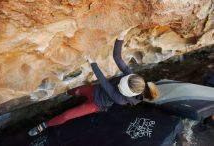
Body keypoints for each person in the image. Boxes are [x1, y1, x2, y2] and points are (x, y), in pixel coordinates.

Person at [28, 28, 160, 136]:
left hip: (96, 104)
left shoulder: (121, 100)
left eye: (121, 86)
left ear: (128, 92)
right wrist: (121, 37)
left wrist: (93, 63)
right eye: (122, 81)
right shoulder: (134, 79)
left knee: (66, 116)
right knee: (76, 91)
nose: (119, 83)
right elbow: (117, 57)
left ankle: (44, 125)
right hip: (96, 90)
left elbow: (105, 83)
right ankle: (67, 94)